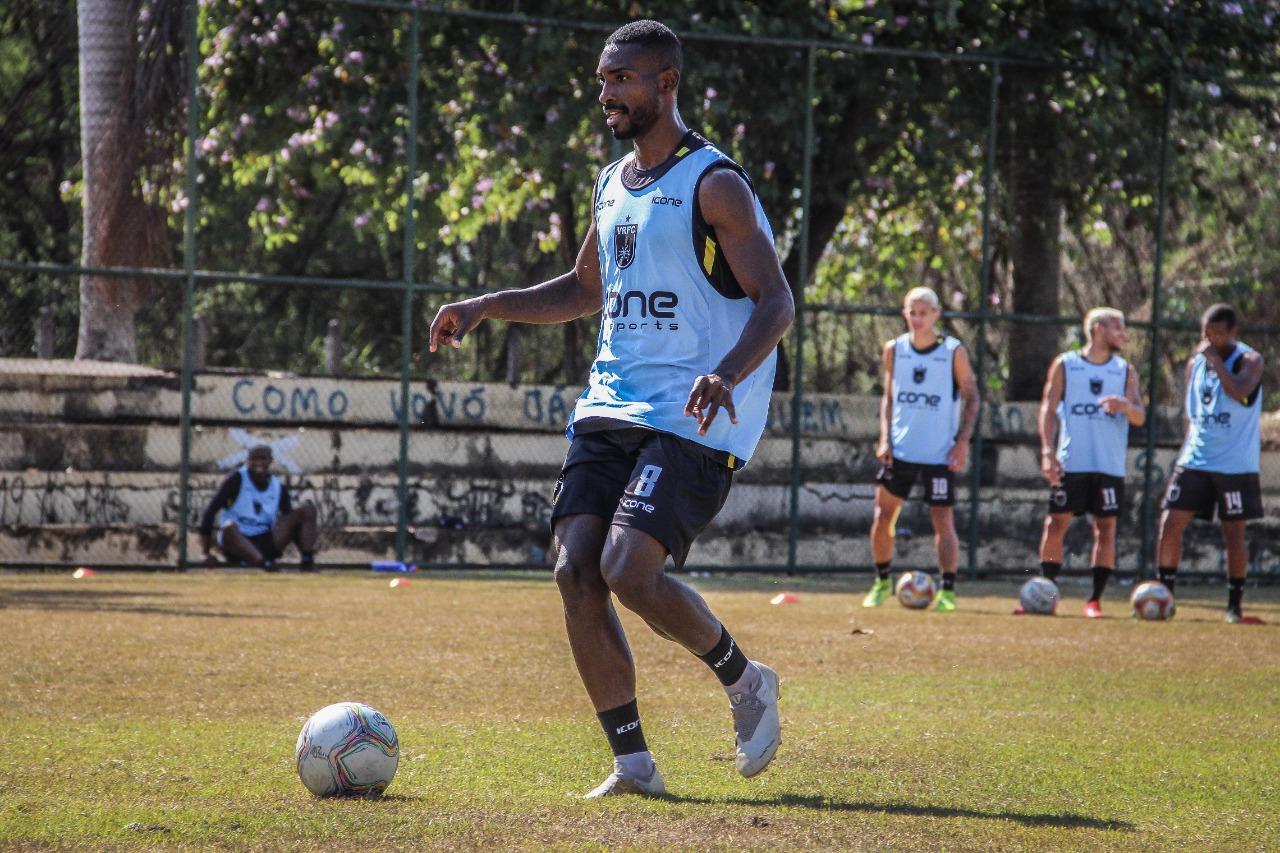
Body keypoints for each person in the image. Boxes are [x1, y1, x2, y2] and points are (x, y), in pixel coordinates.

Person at [427, 20, 794, 797]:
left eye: (622, 79)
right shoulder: (609, 183)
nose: (606, 95)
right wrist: (488, 303)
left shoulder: (713, 183)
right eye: (602, 80)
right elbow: (584, 290)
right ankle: (632, 763)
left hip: (695, 414)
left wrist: (727, 373)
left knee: (629, 566)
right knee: (574, 572)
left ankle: (745, 677)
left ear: (667, 83)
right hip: (610, 402)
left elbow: (777, 303)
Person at [860, 287, 978, 612]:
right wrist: (885, 437)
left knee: (943, 520)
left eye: (924, 312)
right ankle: (882, 582)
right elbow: (889, 397)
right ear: (905, 313)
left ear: (937, 314)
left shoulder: (953, 351)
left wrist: (962, 442)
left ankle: (948, 591)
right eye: (912, 311)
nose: (918, 318)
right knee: (882, 515)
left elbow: (973, 395)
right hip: (900, 451)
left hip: (939, 455)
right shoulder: (895, 350)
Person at [1031, 308, 1146, 617]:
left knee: (1105, 528)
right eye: (1117, 327)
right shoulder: (1066, 365)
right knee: (1056, 523)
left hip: (1108, 465)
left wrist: (1125, 405)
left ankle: (1094, 600)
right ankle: (1045, 593)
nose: (1123, 334)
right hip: (1072, 461)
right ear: (1097, 329)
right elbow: (1048, 408)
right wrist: (1047, 450)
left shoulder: (1124, 371)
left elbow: (1139, 416)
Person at [1156, 304, 1265, 624]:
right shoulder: (1196, 365)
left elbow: (1242, 392)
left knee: (1233, 533)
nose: (1211, 340)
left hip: (1235, 464)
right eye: (1207, 333)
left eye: (1218, 334)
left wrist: (1217, 362)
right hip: (1196, 459)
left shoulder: (1250, 360)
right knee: (1170, 521)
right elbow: (1191, 413)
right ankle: (1164, 596)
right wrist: (1185, 447)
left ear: (1233, 333)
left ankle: (1234, 606)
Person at [198, 445, 318, 571]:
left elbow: (289, 520)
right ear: (247, 460)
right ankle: (265, 565)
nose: (258, 463)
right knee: (228, 527)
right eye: (254, 459)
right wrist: (204, 552)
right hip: (237, 542)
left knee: (307, 510)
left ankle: (307, 561)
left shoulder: (278, 486)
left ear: (271, 461)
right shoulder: (236, 480)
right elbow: (210, 511)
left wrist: (299, 541)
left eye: (263, 458)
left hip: (265, 539)